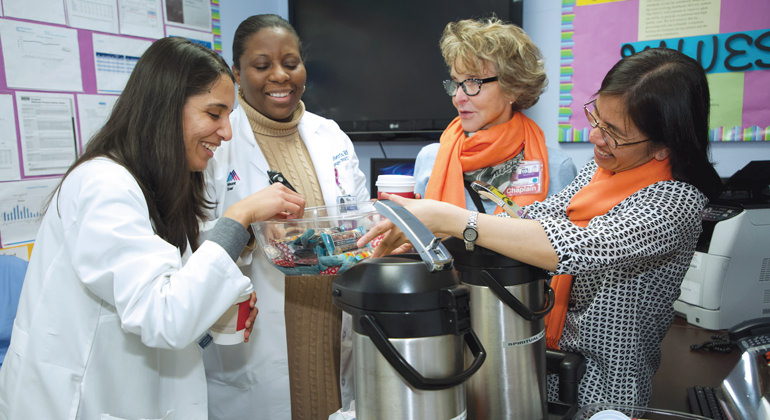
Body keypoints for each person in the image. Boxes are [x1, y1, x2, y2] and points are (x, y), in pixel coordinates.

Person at [358, 47, 722, 408]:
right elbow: (534, 219)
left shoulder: (675, 202)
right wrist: (438, 230)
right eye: (596, 119)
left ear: (664, 146)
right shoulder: (601, 174)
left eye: (614, 132)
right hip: (543, 361)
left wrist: (453, 220)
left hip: (604, 388)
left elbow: (573, 247)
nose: (595, 137)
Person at [0, 37, 305, 419]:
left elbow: (167, 285)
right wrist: (238, 218)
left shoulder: (157, 184)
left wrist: (212, 315)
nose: (226, 132)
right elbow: (165, 316)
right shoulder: (104, 185)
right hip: (80, 401)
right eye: (214, 114)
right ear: (166, 109)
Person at [201, 14, 369, 420]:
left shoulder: (331, 136)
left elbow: (360, 218)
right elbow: (194, 250)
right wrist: (253, 232)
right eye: (262, 66)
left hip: (334, 327)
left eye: (291, 63)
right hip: (258, 343)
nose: (280, 76)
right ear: (237, 75)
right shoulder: (216, 146)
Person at [413, 16, 576, 214]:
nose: (458, 96)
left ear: (513, 89)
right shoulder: (430, 159)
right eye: (456, 82)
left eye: (474, 82)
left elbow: (560, 244)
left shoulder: (556, 168)